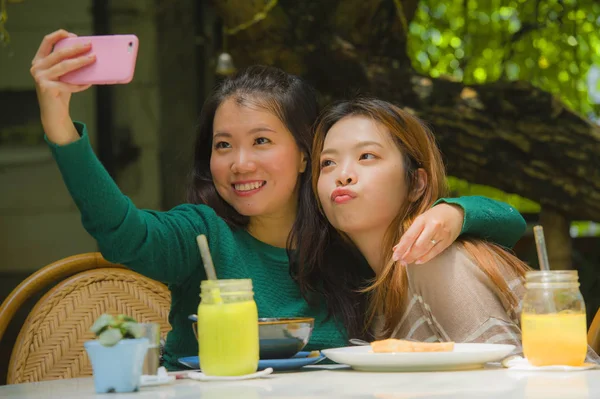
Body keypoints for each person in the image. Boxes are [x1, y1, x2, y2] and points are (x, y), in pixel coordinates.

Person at [30, 30, 527, 369]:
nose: (240, 163)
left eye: (262, 141)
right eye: (223, 145)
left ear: (308, 154)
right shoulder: (201, 234)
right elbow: (122, 234)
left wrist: (455, 211)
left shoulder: (346, 239)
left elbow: (510, 224)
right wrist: (58, 121)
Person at [309, 97, 533, 348]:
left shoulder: (434, 260)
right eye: (328, 163)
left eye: (367, 156)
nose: (342, 175)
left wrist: (455, 212)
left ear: (416, 184)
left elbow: (503, 375)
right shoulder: (372, 295)